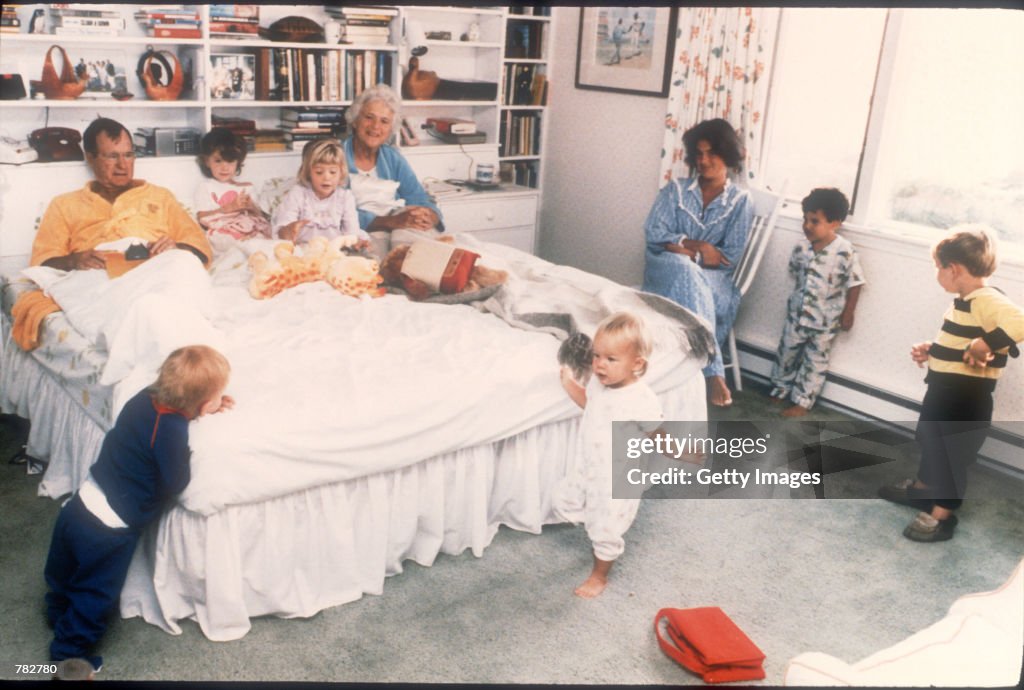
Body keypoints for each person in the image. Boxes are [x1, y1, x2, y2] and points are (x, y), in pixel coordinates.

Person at [44, 345, 233, 672]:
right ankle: (67, 656)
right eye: (217, 397)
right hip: (111, 526)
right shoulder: (173, 431)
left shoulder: (142, 400)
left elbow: (175, 408)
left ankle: (56, 608)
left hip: (84, 500)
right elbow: (176, 482)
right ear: (199, 403)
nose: (221, 400)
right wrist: (187, 451)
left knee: (64, 565)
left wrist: (204, 405)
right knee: (97, 591)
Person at [878, 226, 1023, 542]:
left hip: (966, 399)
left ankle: (942, 515)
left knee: (951, 453)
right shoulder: (966, 300)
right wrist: (933, 349)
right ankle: (922, 489)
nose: (937, 273)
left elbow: (1020, 321)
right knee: (930, 440)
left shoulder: (986, 299)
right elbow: (959, 340)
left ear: (952, 268)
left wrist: (984, 346)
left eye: (938, 267)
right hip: (944, 392)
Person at [642, 118, 754, 407]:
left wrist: (678, 245)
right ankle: (713, 371)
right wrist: (701, 246)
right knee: (682, 267)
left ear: (728, 155)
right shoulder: (676, 190)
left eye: (711, 154)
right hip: (665, 270)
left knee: (689, 271)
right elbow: (654, 234)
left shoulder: (740, 202)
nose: (703, 161)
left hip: (712, 280)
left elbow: (728, 258)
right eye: (699, 154)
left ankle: (703, 367)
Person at [554, 312, 664, 598]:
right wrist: (569, 384)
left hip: (617, 477)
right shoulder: (598, 384)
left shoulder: (642, 400)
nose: (600, 365)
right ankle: (588, 516)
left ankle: (599, 576)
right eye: (597, 356)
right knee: (567, 498)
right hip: (588, 461)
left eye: (611, 359)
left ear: (636, 364)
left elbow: (657, 433)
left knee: (606, 527)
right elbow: (591, 405)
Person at [30, 117, 212, 271]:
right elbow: (42, 263)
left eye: (128, 155)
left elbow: (201, 249)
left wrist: (177, 248)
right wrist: (74, 260)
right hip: (97, 279)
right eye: (112, 156)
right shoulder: (64, 205)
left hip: (157, 272)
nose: (123, 165)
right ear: (90, 157)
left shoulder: (161, 197)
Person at [769, 188, 865, 417]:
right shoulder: (801, 247)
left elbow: (856, 283)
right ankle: (779, 389)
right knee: (786, 353)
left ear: (835, 223)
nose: (807, 225)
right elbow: (795, 273)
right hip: (797, 315)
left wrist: (848, 313)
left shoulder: (845, 251)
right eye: (805, 219)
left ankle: (802, 401)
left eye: (815, 221)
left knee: (815, 362)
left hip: (826, 321)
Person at [343, 84, 442, 246]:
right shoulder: (333, 156)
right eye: (369, 117)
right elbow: (331, 211)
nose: (376, 126)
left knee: (424, 248)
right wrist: (389, 221)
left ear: (391, 129)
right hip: (358, 235)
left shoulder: (392, 157)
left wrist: (429, 215)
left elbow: (418, 198)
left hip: (397, 229)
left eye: (384, 121)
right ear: (354, 120)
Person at [271, 138, 369, 247]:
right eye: (319, 172)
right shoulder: (298, 194)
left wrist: (354, 242)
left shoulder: (345, 197)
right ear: (309, 173)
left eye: (332, 172)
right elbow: (283, 228)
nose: (326, 177)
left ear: (341, 173)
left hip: (335, 250)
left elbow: (351, 232)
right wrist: (288, 230)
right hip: (303, 248)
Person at [193, 127, 271, 241]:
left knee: (262, 237)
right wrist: (229, 208)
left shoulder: (247, 187)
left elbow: (261, 218)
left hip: (248, 231)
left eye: (230, 161)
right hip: (224, 232)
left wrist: (252, 207)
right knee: (225, 241)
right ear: (207, 161)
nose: (224, 167)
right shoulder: (206, 187)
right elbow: (202, 218)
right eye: (218, 161)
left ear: (238, 162)